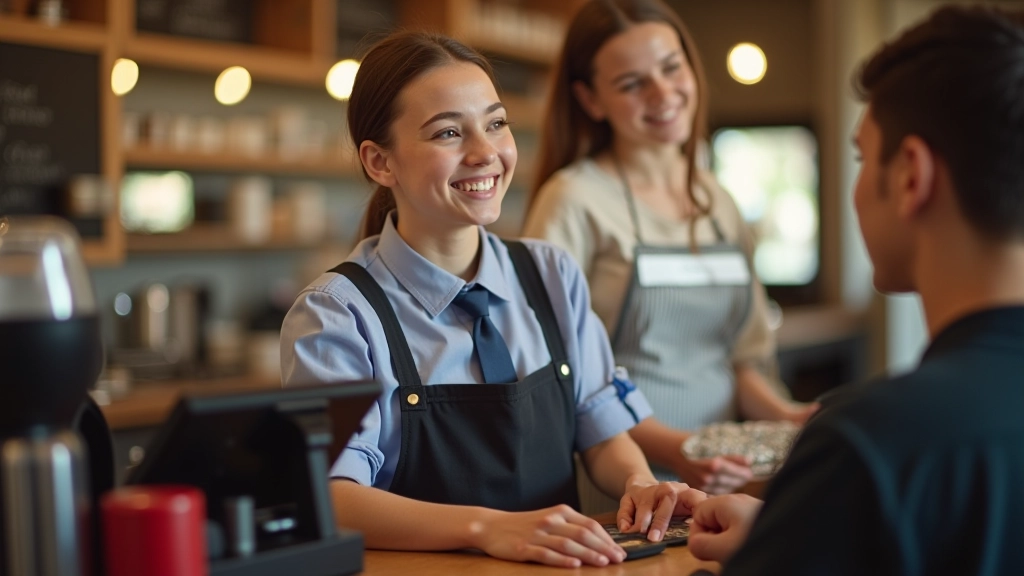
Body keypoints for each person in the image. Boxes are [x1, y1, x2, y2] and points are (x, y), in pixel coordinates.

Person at [280, 31, 705, 568]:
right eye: (449, 132)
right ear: (379, 163)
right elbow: (334, 497)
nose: (485, 153)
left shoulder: (550, 274)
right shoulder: (337, 313)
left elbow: (600, 430)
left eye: (496, 123)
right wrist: (488, 528)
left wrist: (641, 484)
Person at [687, 6, 1024, 574]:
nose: (857, 184)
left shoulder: (871, 446)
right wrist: (793, 533)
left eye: (863, 157)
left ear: (911, 175)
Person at [521, 0, 815, 499]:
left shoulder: (718, 200)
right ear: (591, 100)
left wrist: (787, 418)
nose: (662, 93)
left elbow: (739, 359)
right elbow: (560, 378)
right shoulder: (574, 200)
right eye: (632, 83)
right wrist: (677, 448)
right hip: (625, 482)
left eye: (671, 68)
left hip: (725, 477)